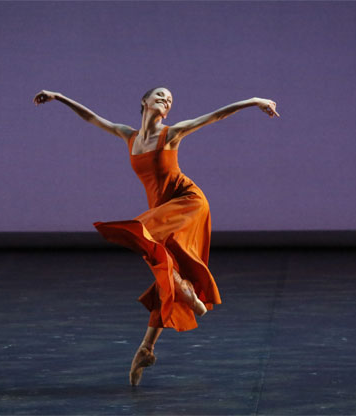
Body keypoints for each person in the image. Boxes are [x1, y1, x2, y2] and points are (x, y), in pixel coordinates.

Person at [33, 87, 279, 385]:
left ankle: (187, 292)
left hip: (188, 201)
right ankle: (146, 348)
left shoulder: (172, 133)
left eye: (171, 99)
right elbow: (92, 118)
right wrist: (59, 97)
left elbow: (215, 116)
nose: (166, 100)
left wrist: (253, 101)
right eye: (160, 95)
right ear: (144, 102)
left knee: (140, 232)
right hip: (162, 211)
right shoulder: (129, 136)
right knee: (163, 275)